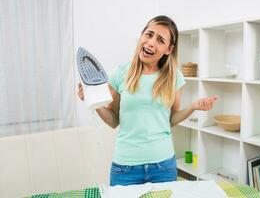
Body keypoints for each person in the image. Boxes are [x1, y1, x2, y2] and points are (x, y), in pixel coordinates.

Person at [77, 15, 217, 186]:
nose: (151, 42)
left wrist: (193, 107)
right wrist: (94, 101)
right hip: (125, 168)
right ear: (142, 35)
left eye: (160, 40)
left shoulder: (174, 78)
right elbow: (113, 120)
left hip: (163, 166)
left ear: (169, 49)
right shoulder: (121, 73)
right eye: (149, 34)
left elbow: (170, 120)